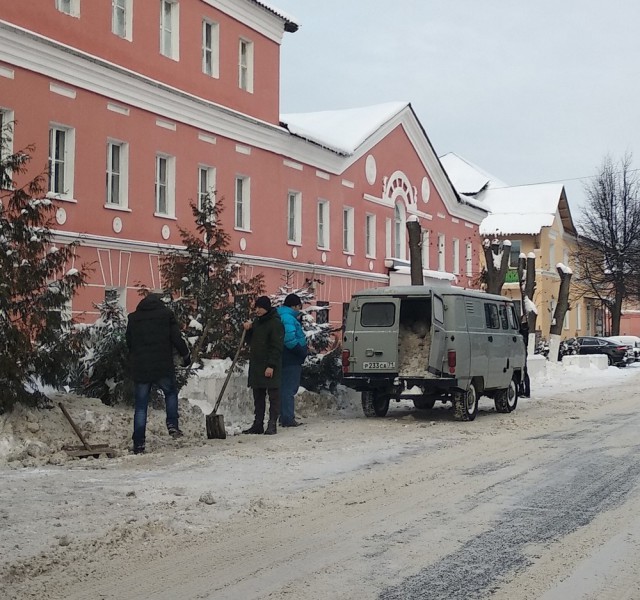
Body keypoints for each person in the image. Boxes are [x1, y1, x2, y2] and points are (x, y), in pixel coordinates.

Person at [126, 293, 191, 454]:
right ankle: (172, 424)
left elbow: (129, 341)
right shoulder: (166, 315)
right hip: (162, 365)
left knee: (141, 406)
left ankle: (139, 443)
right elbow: (176, 337)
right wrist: (185, 355)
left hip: (141, 367)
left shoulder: (133, 318)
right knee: (170, 392)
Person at [242, 296, 284, 435]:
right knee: (258, 396)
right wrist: (248, 330)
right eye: (256, 307)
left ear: (266, 307)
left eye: (260, 307)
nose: (257, 310)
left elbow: (276, 346)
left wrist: (271, 365)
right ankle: (258, 423)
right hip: (257, 364)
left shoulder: (275, 323)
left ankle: (272, 423)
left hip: (269, 365)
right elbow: (250, 341)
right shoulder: (257, 322)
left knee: (273, 395)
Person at [277, 293, 308, 427]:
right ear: (294, 306)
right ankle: (287, 418)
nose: (299, 309)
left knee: (285, 388)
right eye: (298, 306)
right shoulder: (288, 317)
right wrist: (300, 351)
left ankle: (284, 416)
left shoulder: (283, 315)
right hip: (290, 357)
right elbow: (289, 338)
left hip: (286, 356)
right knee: (289, 389)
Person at [519, 315, 531, 398]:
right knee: (522, 371)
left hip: (522, 352)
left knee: (523, 371)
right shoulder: (525, 329)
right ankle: (522, 390)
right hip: (522, 352)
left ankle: (525, 391)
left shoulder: (523, 330)